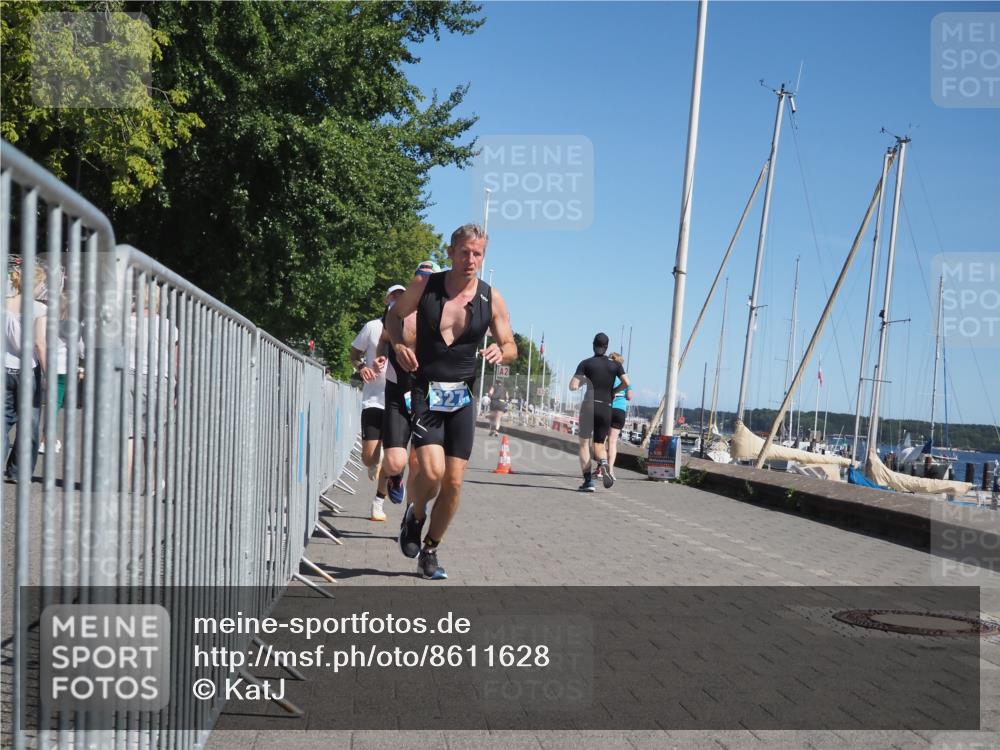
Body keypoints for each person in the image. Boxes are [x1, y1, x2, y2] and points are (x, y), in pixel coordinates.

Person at [386, 223, 516, 580]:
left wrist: (500, 352)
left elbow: (511, 345)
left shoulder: (492, 298)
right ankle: (414, 516)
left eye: (478, 254)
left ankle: (430, 550)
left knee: (454, 483)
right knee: (431, 472)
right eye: (464, 252)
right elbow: (394, 316)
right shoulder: (426, 286)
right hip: (426, 391)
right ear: (450, 252)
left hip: (462, 398)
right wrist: (398, 345)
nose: (471, 260)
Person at [376, 262, 440, 508]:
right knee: (394, 461)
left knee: (424, 465)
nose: (424, 283)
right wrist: (381, 355)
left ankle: (414, 515)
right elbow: (384, 337)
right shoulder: (396, 309)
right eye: (420, 278)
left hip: (427, 394)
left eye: (429, 279)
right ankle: (394, 477)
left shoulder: (443, 310)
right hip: (397, 388)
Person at [350, 285, 404, 521]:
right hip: (374, 398)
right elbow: (353, 354)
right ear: (387, 300)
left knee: (393, 457)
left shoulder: (409, 327)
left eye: (403, 297)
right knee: (369, 457)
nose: (398, 300)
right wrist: (362, 367)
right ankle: (377, 459)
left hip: (398, 401)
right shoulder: (373, 327)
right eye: (394, 296)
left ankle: (378, 503)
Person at [569, 333, 629, 492]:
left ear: (593, 345)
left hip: (589, 405)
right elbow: (627, 383)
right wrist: (614, 391)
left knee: (584, 443)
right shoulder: (615, 365)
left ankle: (588, 482)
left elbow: (573, 386)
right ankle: (604, 463)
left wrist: (583, 381)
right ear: (607, 347)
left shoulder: (586, 363)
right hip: (606, 407)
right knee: (599, 444)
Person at [4, 265, 48, 481]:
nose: (43, 287)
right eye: (42, 284)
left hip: (4, 367)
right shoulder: (38, 309)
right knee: (29, 423)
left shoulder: (4, 303)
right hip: (27, 371)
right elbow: (39, 343)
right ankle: (17, 471)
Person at [604, 352, 633, 484]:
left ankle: (600, 468)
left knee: (601, 441)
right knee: (613, 442)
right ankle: (610, 471)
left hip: (607, 408)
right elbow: (629, 397)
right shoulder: (627, 378)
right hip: (620, 411)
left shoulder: (607, 376)